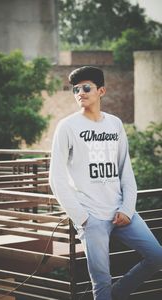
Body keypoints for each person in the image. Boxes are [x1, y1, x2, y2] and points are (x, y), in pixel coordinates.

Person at [49, 66, 162, 300]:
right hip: (91, 217)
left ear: (101, 91)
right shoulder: (67, 127)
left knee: (156, 256)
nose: (80, 92)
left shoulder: (115, 124)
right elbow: (56, 177)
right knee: (101, 281)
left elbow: (126, 171)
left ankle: (116, 295)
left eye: (86, 87)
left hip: (121, 212)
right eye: (76, 89)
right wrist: (82, 218)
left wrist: (127, 209)